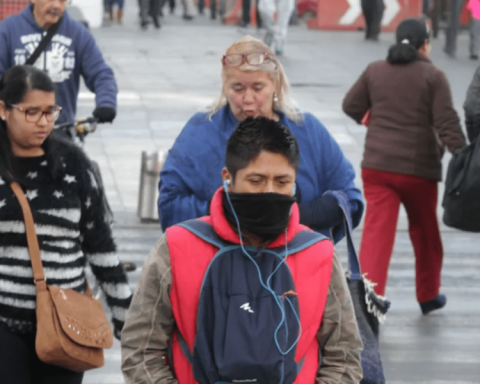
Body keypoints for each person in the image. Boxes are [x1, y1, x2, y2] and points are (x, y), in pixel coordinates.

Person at [122, 117, 363, 383]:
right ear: (228, 178)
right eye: (256, 181)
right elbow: (140, 349)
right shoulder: (177, 246)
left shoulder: (319, 254)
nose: (269, 192)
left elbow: (345, 354)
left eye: (282, 182)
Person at [158, 35, 364, 242]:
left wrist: (294, 216)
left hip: (296, 262)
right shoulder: (200, 132)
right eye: (237, 89)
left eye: (258, 88)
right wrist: (232, 214)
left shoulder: (308, 130)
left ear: (275, 84)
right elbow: (170, 203)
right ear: (225, 86)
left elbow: (349, 199)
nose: (248, 99)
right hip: (217, 261)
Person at [0, 65, 132, 382]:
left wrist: (125, 315)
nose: (45, 122)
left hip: (67, 325)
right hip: (4, 324)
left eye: (50, 111)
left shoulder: (73, 164)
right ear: (3, 109)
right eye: (32, 112)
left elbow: (99, 244)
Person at [343, 18, 466, 315]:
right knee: (425, 233)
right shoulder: (433, 76)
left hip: (377, 167)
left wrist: (372, 119)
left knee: (377, 233)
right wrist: (464, 157)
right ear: (425, 44)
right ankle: (428, 294)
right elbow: (446, 122)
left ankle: (369, 299)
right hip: (418, 171)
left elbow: (350, 105)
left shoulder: (375, 70)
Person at [0, 0, 118, 126]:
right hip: (17, 130)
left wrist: (106, 103)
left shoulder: (78, 33)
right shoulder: (8, 30)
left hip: (60, 128)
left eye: (62, 1)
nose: (56, 5)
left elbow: (100, 73)